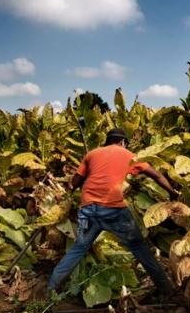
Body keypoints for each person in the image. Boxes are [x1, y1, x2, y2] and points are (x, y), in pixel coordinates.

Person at [48, 128, 178, 299]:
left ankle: (51, 289)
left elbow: (75, 182)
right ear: (122, 142)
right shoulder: (129, 155)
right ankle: (167, 290)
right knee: (140, 247)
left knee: (78, 248)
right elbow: (156, 175)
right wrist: (173, 192)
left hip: (88, 208)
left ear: (108, 141)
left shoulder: (92, 154)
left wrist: (80, 182)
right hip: (114, 209)